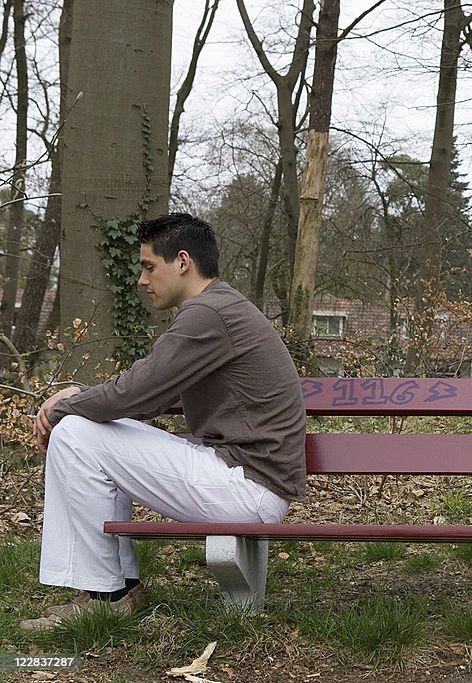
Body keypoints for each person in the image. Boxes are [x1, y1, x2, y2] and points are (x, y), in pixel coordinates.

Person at [21, 213, 306, 630]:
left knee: (76, 434)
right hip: (245, 478)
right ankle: (118, 587)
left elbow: (136, 391)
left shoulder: (209, 315)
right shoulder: (219, 308)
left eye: (149, 266)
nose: (141, 279)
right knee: (87, 431)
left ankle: (108, 596)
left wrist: (63, 406)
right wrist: (79, 401)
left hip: (248, 487)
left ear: (183, 262)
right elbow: (144, 398)